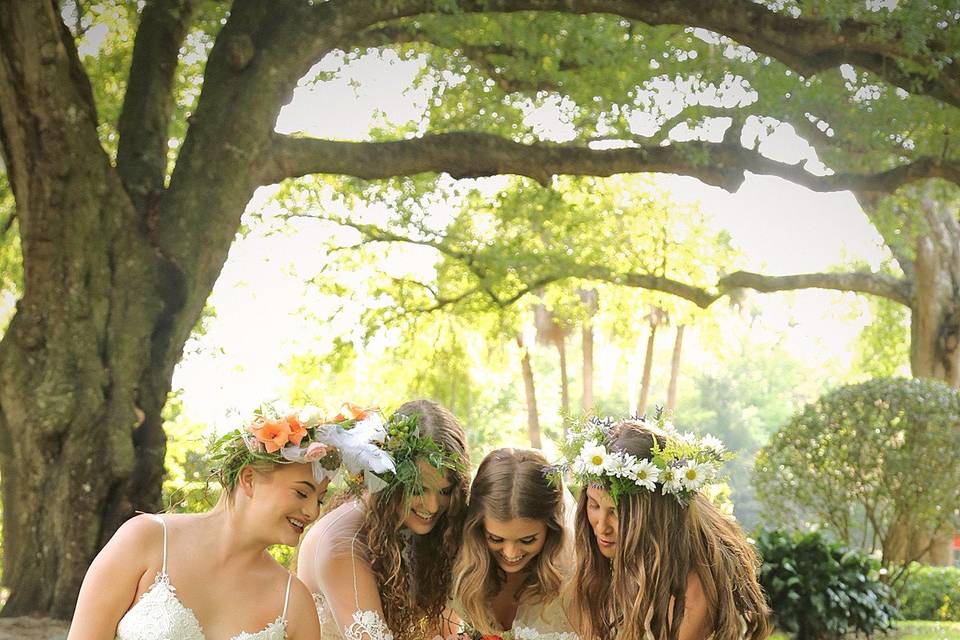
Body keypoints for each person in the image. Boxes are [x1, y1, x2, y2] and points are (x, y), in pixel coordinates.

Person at [68, 406, 386, 640]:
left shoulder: (294, 601)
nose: (313, 511)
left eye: (318, 499)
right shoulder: (146, 540)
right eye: (301, 493)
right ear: (249, 479)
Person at [563, 417, 770, 640]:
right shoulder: (609, 563)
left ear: (653, 516)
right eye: (594, 505)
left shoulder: (693, 587)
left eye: (617, 513)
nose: (601, 527)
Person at [297, 399, 471, 640]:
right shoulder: (342, 546)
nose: (432, 506)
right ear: (390, 478)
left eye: (445, 491)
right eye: (418, 489)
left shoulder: (432, 533)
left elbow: (444, 633)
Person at [451, 448, 578, 640]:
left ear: (551, 529)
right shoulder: (455, 568)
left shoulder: (572, 580)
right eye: (496, 539)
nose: (511, 553)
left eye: (527, 540)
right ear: (477, 528)